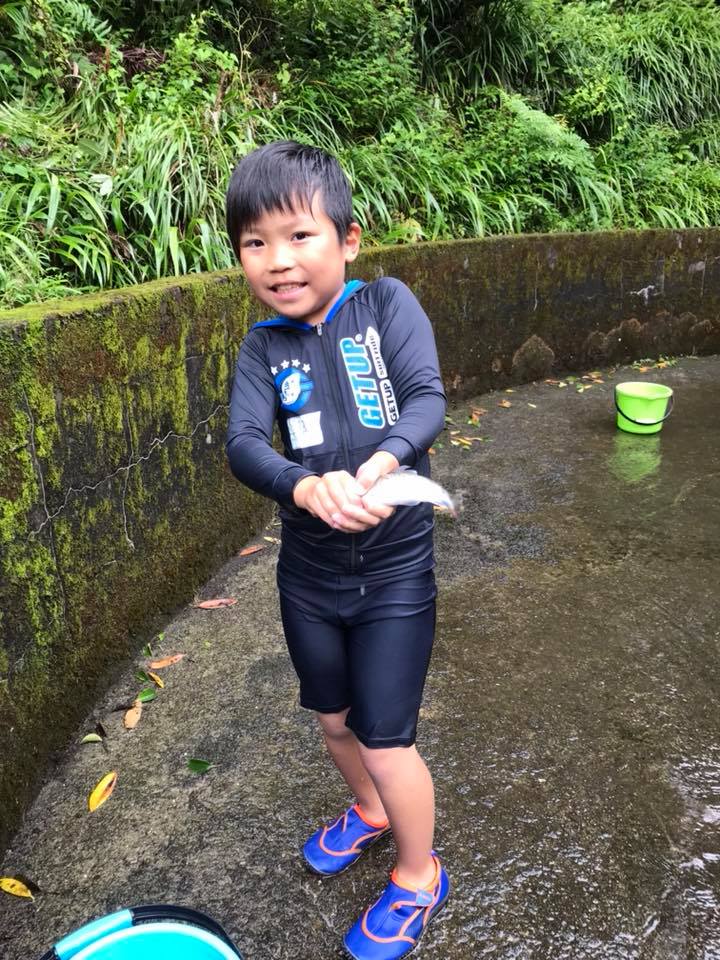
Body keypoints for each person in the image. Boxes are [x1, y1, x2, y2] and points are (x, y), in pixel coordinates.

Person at [225, 140, 449, 960]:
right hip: (309, 575)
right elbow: (244, 442)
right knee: (332, 718)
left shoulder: (386, 304)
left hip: (395, 574)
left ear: (347, 240)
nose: (278, 260)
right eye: (255, 243)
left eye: (298, 236)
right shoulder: (263, 347)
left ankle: (418, 875)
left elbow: (426, 399)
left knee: (386, 737)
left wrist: (383, 463)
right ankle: (372, 810)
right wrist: (303, 486)